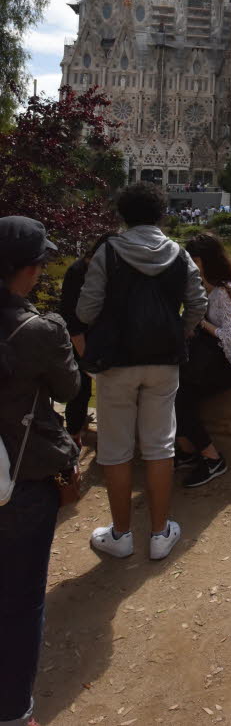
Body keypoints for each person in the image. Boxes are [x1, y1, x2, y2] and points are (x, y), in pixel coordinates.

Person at [77, 183, 207, 561]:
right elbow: (198, 303)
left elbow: (86, 310)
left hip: (116, 362)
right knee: (160, 446)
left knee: (115, 449)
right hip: (164, 361)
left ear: (123, 216)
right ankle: (160, 533)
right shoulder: (180, 254)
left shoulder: (109, 251)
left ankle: (120, 535)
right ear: (161, 215)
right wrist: (179, 330)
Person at [0, 216, 80, 726]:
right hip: (21, 479)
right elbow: (70, 388)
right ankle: (14, 711)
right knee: (21, 599)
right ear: (28, 270)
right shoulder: (39, 330)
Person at [175, 233, 231, 487]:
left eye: (190, 260)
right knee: (175, 389)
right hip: (216, 357)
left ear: (201, 261)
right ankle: (188, 451)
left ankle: (212, 458)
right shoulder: (204, 287)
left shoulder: (224, 291)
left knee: (179, 396)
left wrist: (202, 323)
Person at [57, 233, 115, 448]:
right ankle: (73, 435)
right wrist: (87, 358)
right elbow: (72, 323)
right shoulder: (78, 271)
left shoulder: (106, 272)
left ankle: (88, 430)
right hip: (78, 337)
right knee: (80, 388)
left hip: (98, 336)